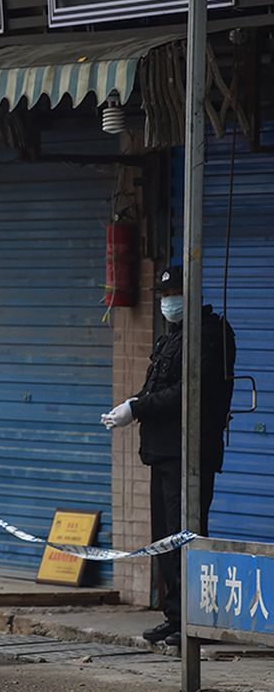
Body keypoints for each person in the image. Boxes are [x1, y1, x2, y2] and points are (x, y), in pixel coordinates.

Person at [102, 265, 236, 647]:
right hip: (162, 452)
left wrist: (137, 407)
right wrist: (133, 405)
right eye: (162, 295)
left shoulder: (211, 335)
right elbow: (157, 384)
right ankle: (176, 616)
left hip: (190, 453)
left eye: (173, 293)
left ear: (190, 293)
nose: (167, 302)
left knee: (186, 536)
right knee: (164, 539)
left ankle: (196, 620)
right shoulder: (172, 337)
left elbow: (189, 392)